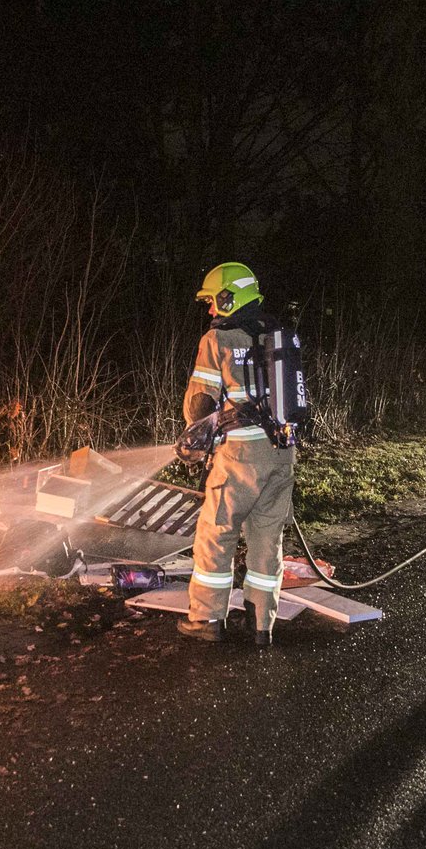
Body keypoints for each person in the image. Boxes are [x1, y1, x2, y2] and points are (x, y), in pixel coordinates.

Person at [178, 262, 297, 648]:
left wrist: (194, 439)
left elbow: (199, 405)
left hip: (240, 456)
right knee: (267, 538)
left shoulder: (217, 341)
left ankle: (207, 619)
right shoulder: (279, 336)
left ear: (230, 296)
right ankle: (262, 624)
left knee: (216, 533)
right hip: (282, 453)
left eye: (214, 301)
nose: (211, 310)